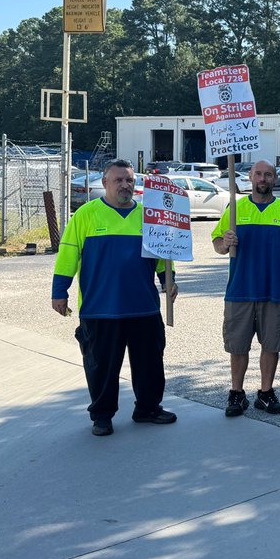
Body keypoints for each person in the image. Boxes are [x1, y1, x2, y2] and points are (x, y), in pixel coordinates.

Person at [51, 159, 178, 437]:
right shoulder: (86, 215)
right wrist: (59, 291)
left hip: (143, 307)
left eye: (130, 180)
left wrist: (168, 279)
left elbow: (161, 256)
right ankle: (102, 415)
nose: (125, 185)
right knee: (101, 368)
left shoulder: (148, 216)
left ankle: (147, 408)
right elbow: (68, 255)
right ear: (105, 183)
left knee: (150, 364)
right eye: (118, 180)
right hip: (100, 309)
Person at [212, 160, 280, 417]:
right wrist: (225, 242)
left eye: (268, 174)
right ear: (251, 178)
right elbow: (217, 243)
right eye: (258, 174)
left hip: (273, 293)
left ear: (275, 179)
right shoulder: (235, 209)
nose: (263, 178)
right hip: (240, 290)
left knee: (272, 345)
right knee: (237, 346)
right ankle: (237, 394)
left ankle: (265, 394)